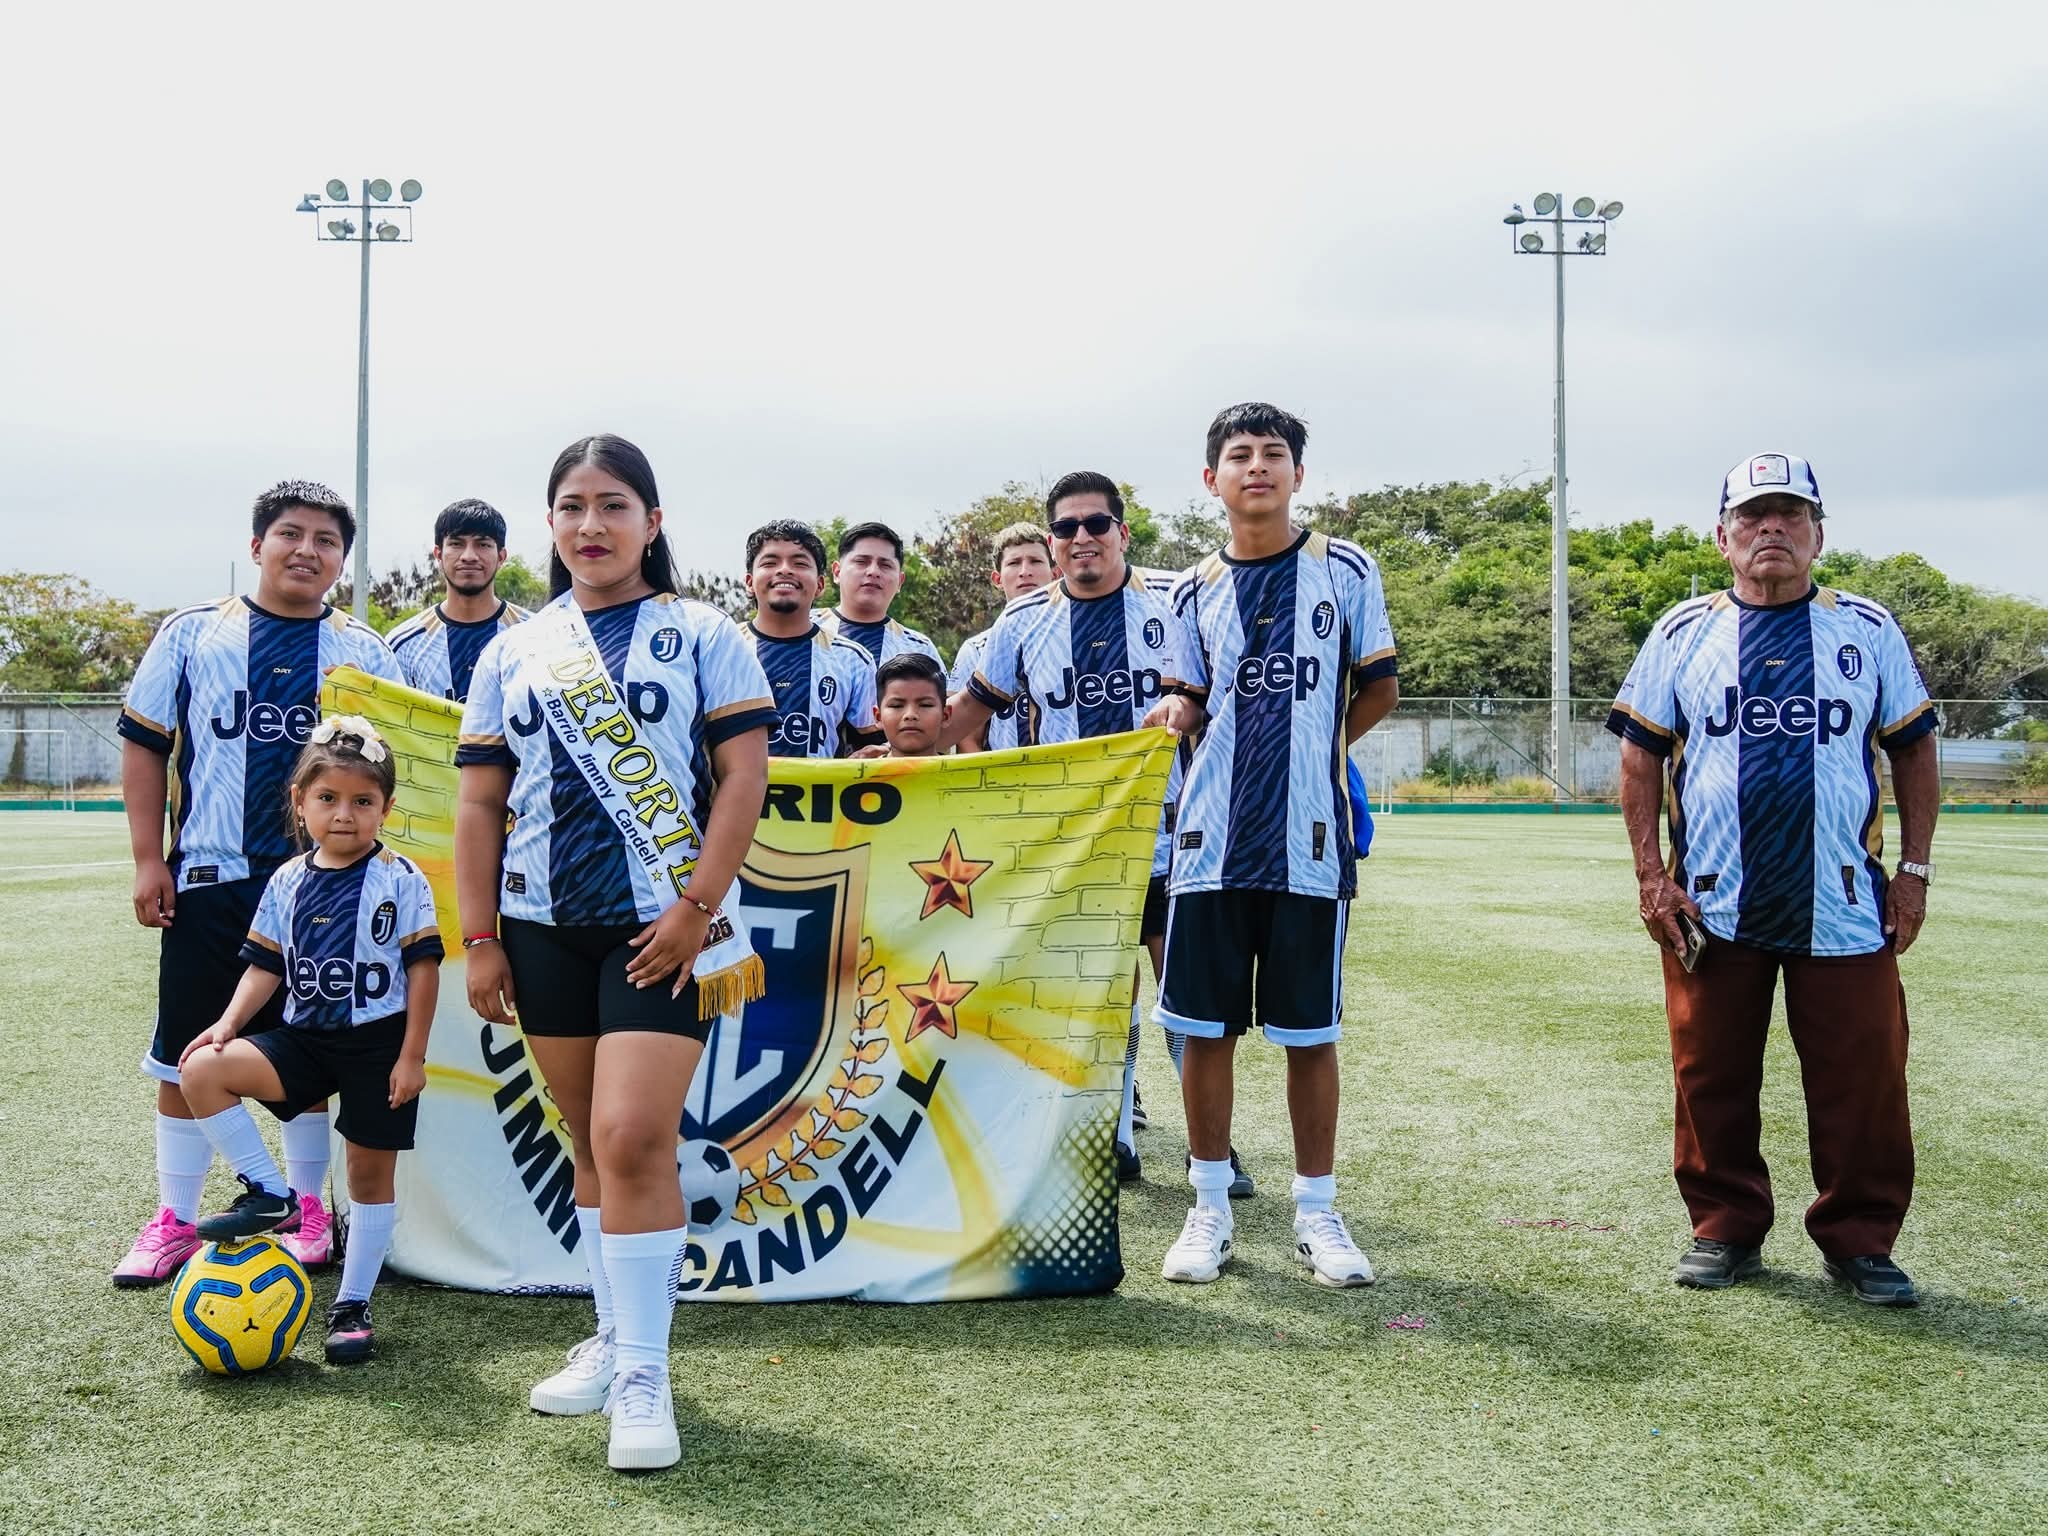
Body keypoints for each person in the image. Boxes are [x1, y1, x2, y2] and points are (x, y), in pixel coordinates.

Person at [455, 434, 774, 1470]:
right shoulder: (515, 649)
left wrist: (696, 904)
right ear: (550, 523)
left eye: (613, 505)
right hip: (539, 926)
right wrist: (478, 937)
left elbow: (743, 778)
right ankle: (612, 1335)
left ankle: (645, 1373)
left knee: (635, 1137)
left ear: (653, 520)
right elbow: (480, 802)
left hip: (661, 928)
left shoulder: (706, 633)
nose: (591, 525)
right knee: (589, 1146)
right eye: (572, 506)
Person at [1609, 452, 1939, 1306]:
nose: (1772, 530)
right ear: (1722, 537)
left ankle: (1860, 1240)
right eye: (1752, 517)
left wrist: (1912, 872)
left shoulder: (1867, 629)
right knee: (1709, 1073)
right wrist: (1651, 876)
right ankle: (1724, 1227)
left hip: (1845, 898)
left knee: (1865, 1078)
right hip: (1713, 900)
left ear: (1818, 535)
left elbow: (1914, 750)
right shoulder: (1683, 632)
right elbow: (1640, 756)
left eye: (1791, 515)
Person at [114, 480, 405, 1286]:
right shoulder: (193, 634)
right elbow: (145, 746)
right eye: (290, 534)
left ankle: (308, 1212)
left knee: (305, 1052)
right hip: (212, 880)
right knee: (186, 1049)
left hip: (327, 890)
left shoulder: (365, 652)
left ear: (342, 561)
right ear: (257, 546)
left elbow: (395, 777)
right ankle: (175, 1219)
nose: (307, 550)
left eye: (326, 540)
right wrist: (147, 858)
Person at [1145, 403, 1399, 1288]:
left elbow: (1379, 689)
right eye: (1239, 454)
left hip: (1310, 842)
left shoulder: (1347, 570)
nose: (1257, 466)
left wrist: (1314, 751)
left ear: (1298, 474)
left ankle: (1317, 1213)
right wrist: (1177, 710)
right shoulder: (1189, 590)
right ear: (1210, 478)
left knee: (1309, 1033)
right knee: (1204, 1030)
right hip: (1206, 843)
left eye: (1274, 453)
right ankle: (1208, 1206)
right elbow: (1190, 698)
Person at [176, 718, 442, 1363]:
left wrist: (412, 1056)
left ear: (386, 809)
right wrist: (228, 1024)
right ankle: (274, 1195)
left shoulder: (402, 878)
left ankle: (352, 1304)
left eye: (362, 801)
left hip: (378, 1048)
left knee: (367, 1175)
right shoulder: (288, 879)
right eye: (328, 798)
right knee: (202, 1070)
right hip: (304, 1040)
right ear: (300, 802)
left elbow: (423, 971)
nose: (344, 814)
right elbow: (265, 965)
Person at [945, 472, 1182, 1184]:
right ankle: (1113, 1134)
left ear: (1122, 533)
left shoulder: (1173, 601)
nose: (1083, 538)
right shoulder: (1023, 622)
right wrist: (896, 757)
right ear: (1053, 542)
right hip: (1072, 844)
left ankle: (1209, 1147)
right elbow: (970, 714)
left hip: (1170, 837)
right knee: (1098, 994)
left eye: (1097, 524)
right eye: (1067, 528)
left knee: (1183, 996)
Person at [742, 518, 881, 757]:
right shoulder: (722, 647)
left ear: (820, 585)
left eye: (800, 563)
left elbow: (872, 746)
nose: (785, 570)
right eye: (770, 562)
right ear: (749, 582)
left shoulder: (853, 659)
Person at [385, 498, 532, 701]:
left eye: (482, 544)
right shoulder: (403, 645)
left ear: (501, 556)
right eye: (456, 544)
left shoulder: (537, 634)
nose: (469, 556)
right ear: (438, 554)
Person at [948, 523, 1054, 752]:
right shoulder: (975, 649)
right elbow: (966, 738)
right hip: (1001, 772)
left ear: (1055, 573)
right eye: (1014, 563)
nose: (1025, 571)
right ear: (997, 579)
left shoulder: (1072, 638)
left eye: (1035, 561)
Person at [815, 521, 946, 675]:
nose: (873, 572)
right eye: (861, 562)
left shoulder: (919, 649)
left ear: (900, 581)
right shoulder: (804, 627)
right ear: (837, 572)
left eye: (885, 565)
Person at [875, 652, 951, 757]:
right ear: (878, 717)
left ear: (945, 716)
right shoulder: (860, 768)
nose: (910, 715)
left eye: (925, 705)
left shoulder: (968, 768)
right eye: (896, 705)